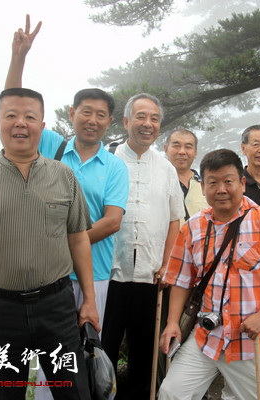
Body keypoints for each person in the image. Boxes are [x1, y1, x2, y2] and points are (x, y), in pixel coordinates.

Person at [4, 17, 129, 399]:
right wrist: (18, 57)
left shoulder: (114, 165)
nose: (92, 120)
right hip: (50, 275)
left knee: (87, 354)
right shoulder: (54, 147)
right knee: (51, 362)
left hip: (95, 275)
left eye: (101, 115)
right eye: (85, 111)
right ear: (72, 112)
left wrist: (67, 243)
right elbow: (14, 110)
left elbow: (111, 222)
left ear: (110, 122)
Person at [0, 88, 99, 399]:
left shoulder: (63, 175)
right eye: (11, 116)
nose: (20, 123)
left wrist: (89, 300)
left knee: (74, 393)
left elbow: (78, 239)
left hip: (56, 306)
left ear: (42, 126)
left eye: (30, 117)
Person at [158, 149, 260, 400]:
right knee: (172, 393)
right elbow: (182, 280)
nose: (221, 189)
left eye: (228, 181)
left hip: (252, 339)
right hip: (206, 335)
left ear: (242, 183)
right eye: (213, 183)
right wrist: (173, 322)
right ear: (203, 187)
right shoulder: (193, 226)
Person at [101, 93, 184, 400]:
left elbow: (176, 219)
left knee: (144, 354)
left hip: (152, 277)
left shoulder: (165, 169)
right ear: (125, 121)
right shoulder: (107, 161)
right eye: (141, 117)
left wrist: (167, 264)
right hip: (109, 276)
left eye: (154, 119)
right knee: (101, 351)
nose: (148, 124)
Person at [164, 128, 208, 224]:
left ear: (195, 152)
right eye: (176, 146)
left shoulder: (207, 184)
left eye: (188, 147)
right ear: (166, 149)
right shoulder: (156, 183)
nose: (182, 152)